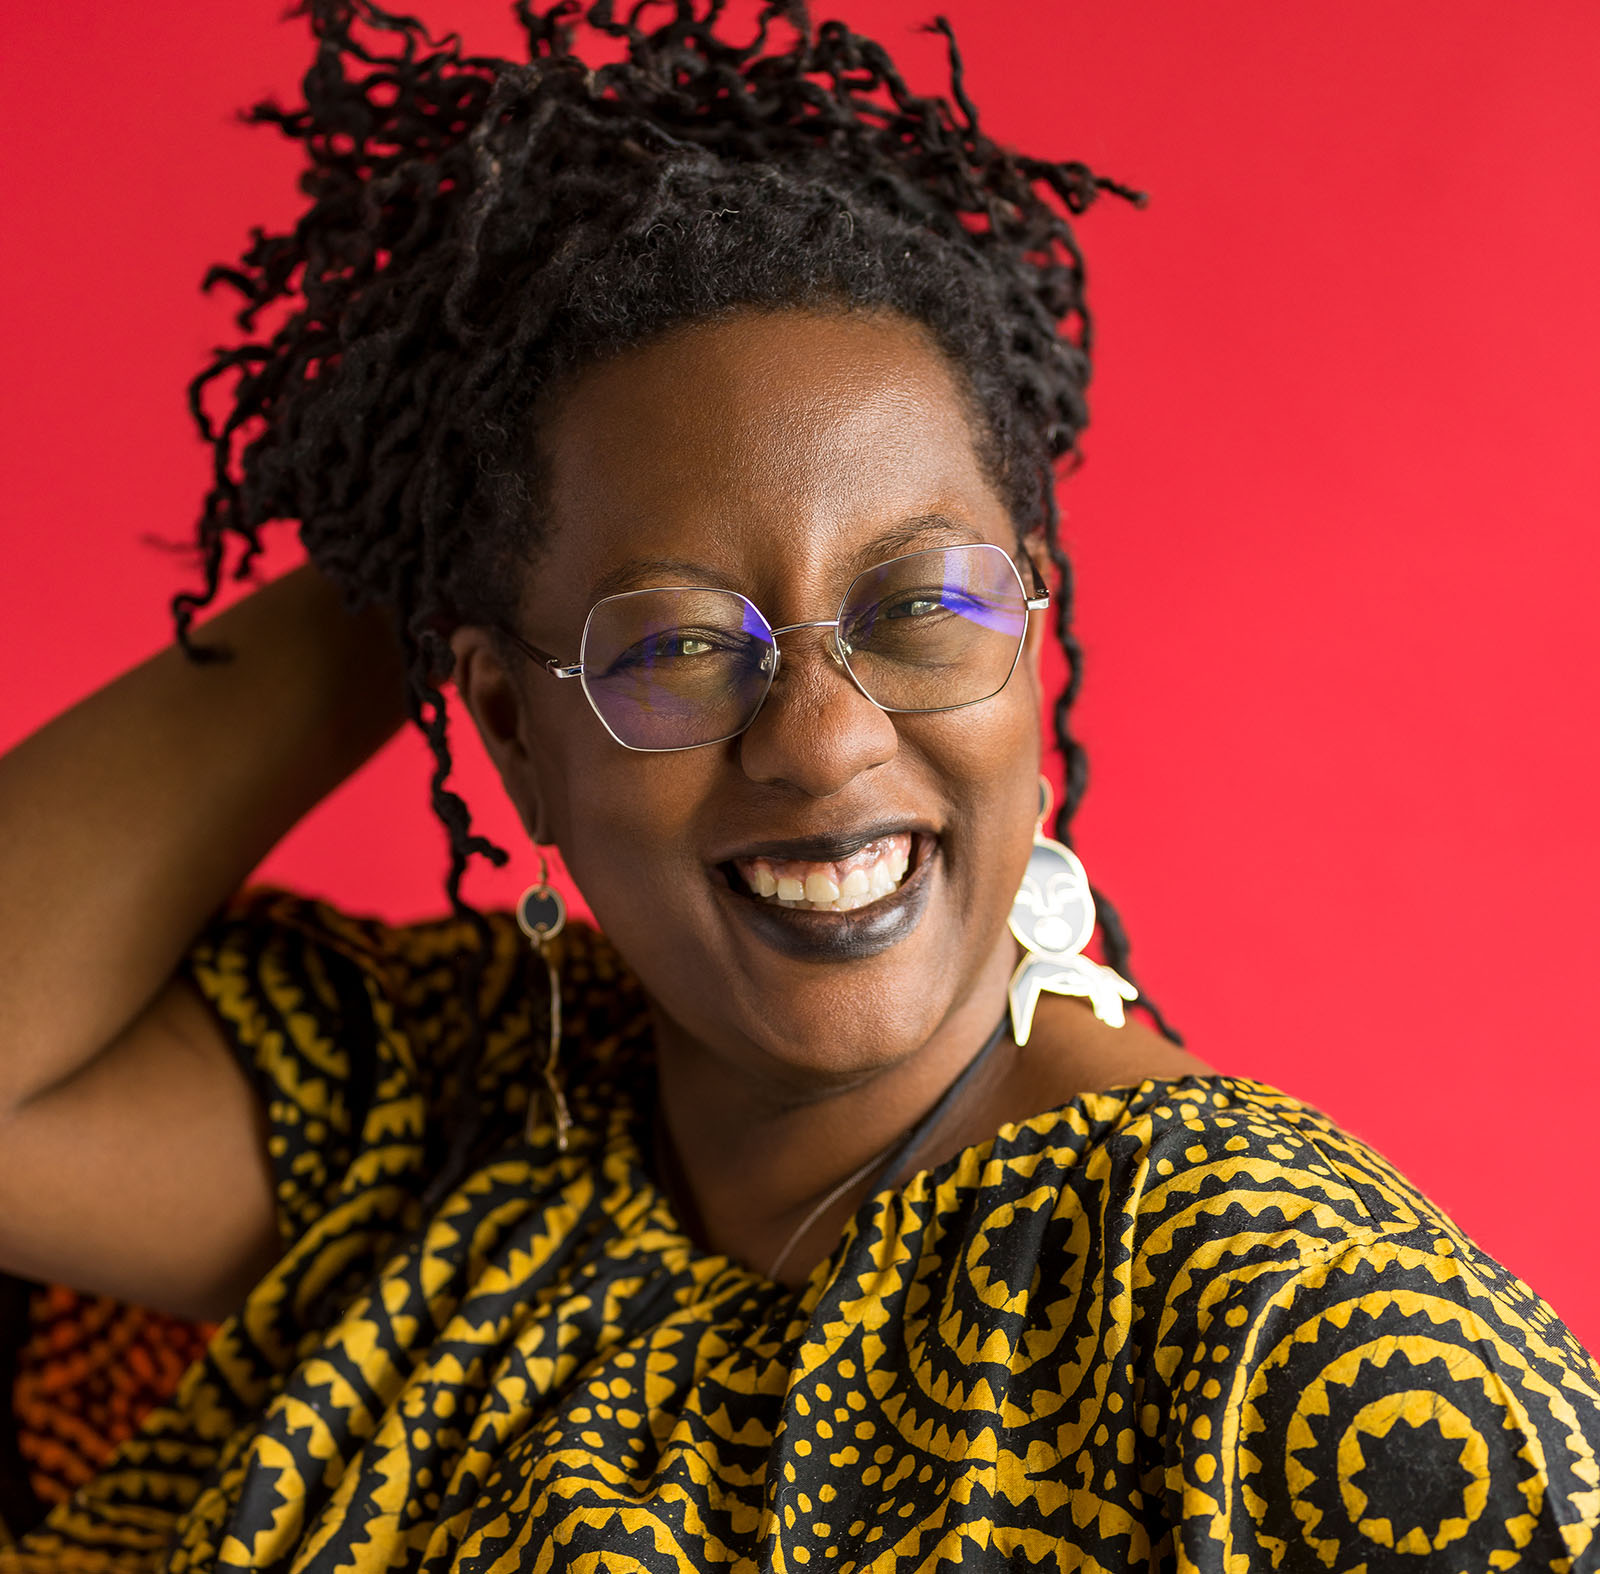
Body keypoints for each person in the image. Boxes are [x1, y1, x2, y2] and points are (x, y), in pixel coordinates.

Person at [2, 1, 1597, 1568]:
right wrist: (433, 493)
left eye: (919, 608)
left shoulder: (1287, 1334)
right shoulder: (478, 1101)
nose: (824, 740)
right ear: (509, 730)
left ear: (1031, 625)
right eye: (683, 648)